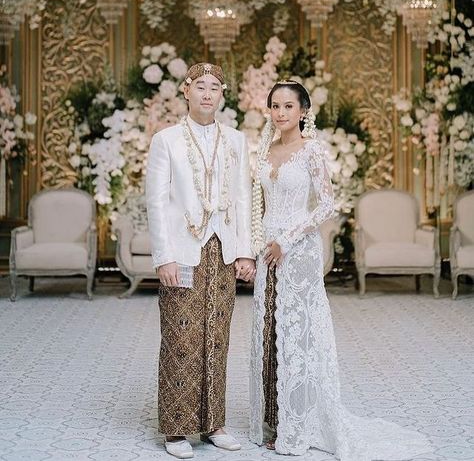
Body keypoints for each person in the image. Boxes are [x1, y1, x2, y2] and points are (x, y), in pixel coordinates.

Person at [248, 80, 432, 459]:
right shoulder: (264, 151)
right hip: (268, 250)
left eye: (288, 106)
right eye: (275, 106)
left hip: (297, 251)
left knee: (298, 334)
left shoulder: (311, 150)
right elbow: (257, 204)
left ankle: (297, 425)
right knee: (269, 332)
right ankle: (274, 418)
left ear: (302, 112)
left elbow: (326, 204)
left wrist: (289, 238)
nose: (280, 113)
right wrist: (259, 242)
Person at [146, 62, 255, 460]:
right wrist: (164, 256)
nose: (208, 94)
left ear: (222, 95)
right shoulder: (167, 140)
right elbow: (156, 202)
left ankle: (214, 423)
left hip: (222, 250)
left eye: (215, 87)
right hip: (183, 250)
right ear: (186, 91)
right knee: (179, 337)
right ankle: (177, 428)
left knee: (218, 337)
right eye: (200, 87)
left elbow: (243, 198)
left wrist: (245, 250)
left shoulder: (237, 141)